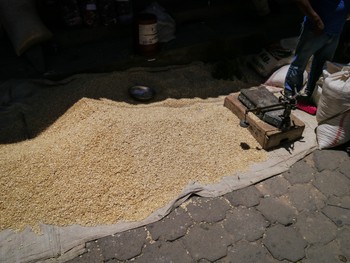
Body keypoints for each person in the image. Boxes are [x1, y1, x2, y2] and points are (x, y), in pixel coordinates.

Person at [284, 0, 350, 114]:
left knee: (322, 65)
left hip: (335, 32)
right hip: (315, 30)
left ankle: (308, 96)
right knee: (300, 62)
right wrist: (316, 20)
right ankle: (290, 95)